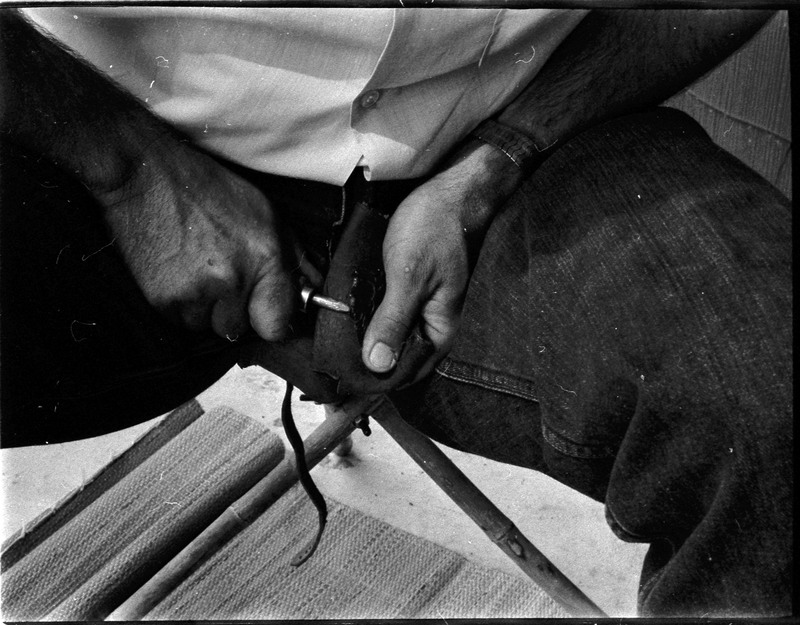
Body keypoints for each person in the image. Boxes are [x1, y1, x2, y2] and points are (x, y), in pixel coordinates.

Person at [0, 7, 791, 617]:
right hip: (95, 117)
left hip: (498, 133)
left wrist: (500, 157)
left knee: (766, 395)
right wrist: (131, 166)